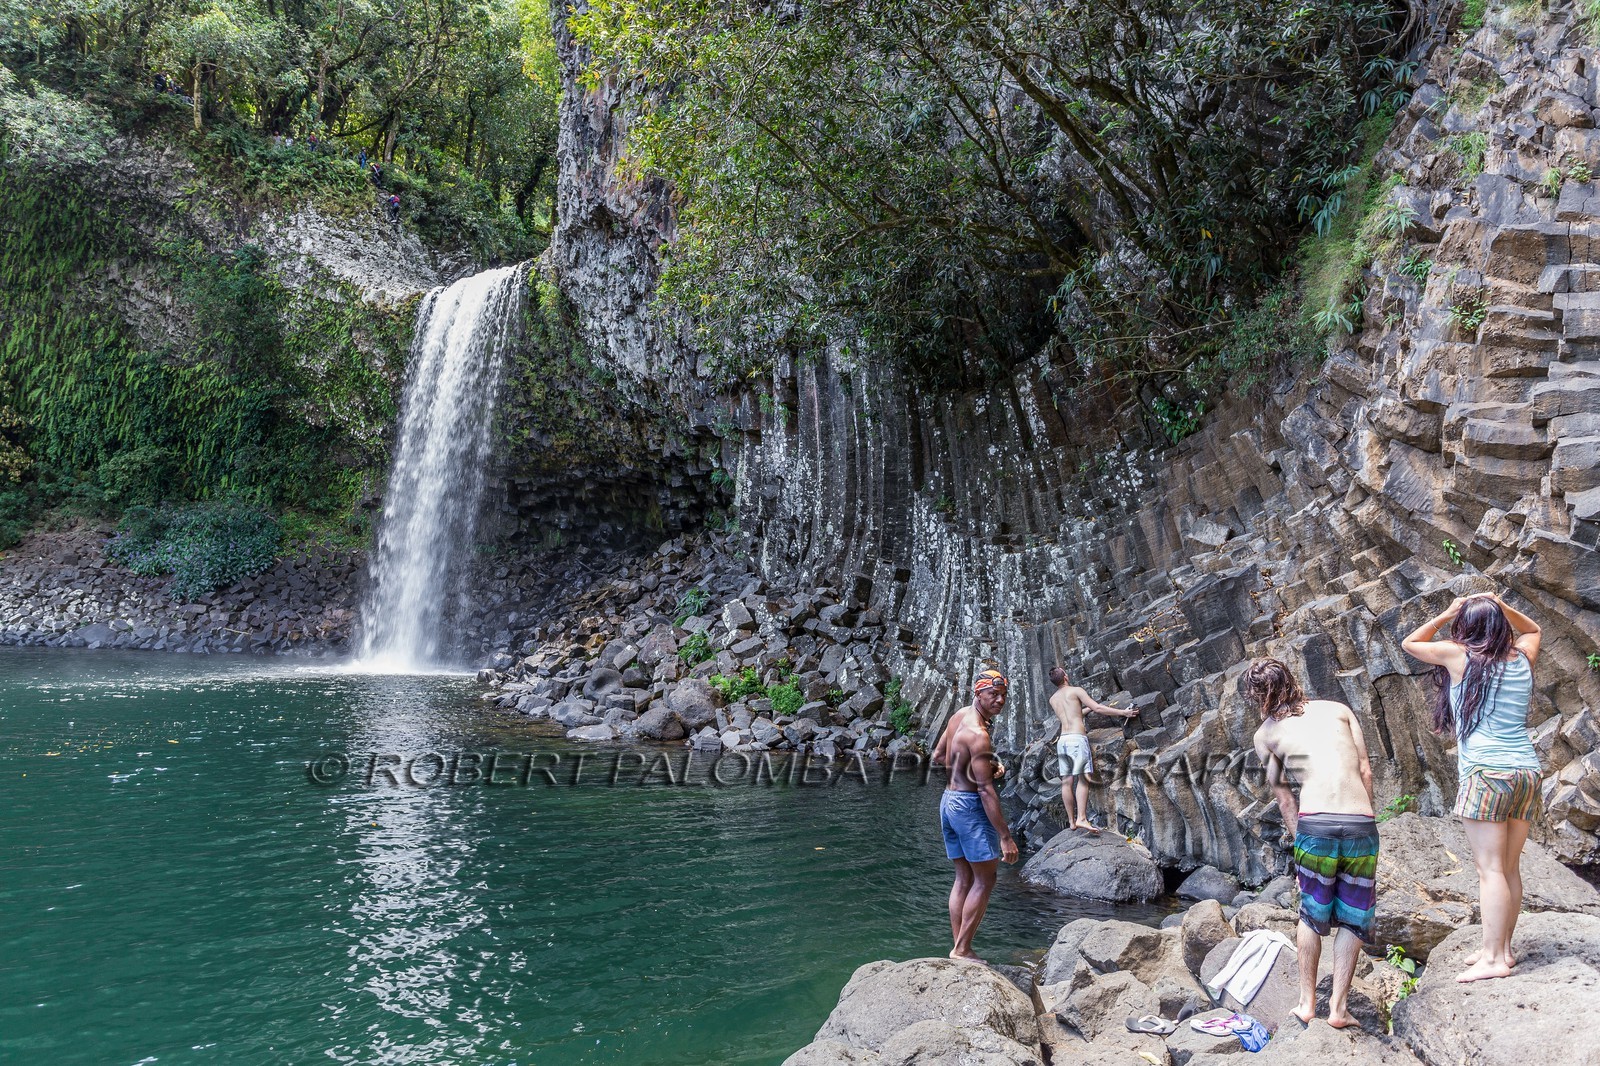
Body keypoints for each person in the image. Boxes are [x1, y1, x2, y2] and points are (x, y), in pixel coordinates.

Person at [1401, 591, 1543, 983]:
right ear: (1500, 625)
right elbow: (1533, 629)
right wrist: (1502, 605)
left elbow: (1410, 643)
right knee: (1509, 867)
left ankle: (1493, 959)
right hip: (1526, 772)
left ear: (1467, 627)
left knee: (1490, 869)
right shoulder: (1522, 658)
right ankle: (1501, 948)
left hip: (1487, 774)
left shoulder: (1460, 656)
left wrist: (1447, 614)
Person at [1246, 657, 1376, 1028]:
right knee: (1354, 917)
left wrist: (1299, 845)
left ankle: (1306, 1004)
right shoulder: (1338, 710)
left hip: (1315, 826)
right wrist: (1366, 819)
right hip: (1360, 823)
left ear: (1257, 696)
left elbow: (1285, 800)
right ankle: (1338, 1009)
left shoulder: (1265, 736)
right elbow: (1365, 770)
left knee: (1311, 914)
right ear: (1291, 679)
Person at [933, 669, 1019, 963]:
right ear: (978, 693)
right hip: (969, 807)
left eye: (1003, 695)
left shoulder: (959, 717)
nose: (1000, 700)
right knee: (986, 879)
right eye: (993, 694)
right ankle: (962, 949)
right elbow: (985, 790)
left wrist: (985, 768)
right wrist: (1005, 837)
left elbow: (939, 756)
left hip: (948, 801)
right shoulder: (979, 735)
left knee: (964, 877)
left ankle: (959, 947)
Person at [1047, 665, 1138, 833]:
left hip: (1063, 741)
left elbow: (1074, 713)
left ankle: (1071, 821)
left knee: (1067, 781)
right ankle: (1082, 818)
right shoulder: (1076, 690)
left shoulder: (1053, 699)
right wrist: (1123, 713)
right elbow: (1098, 708)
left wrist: (1087, 709)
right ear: (1065, 676)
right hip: (1076, 739)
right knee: (1084, 777)